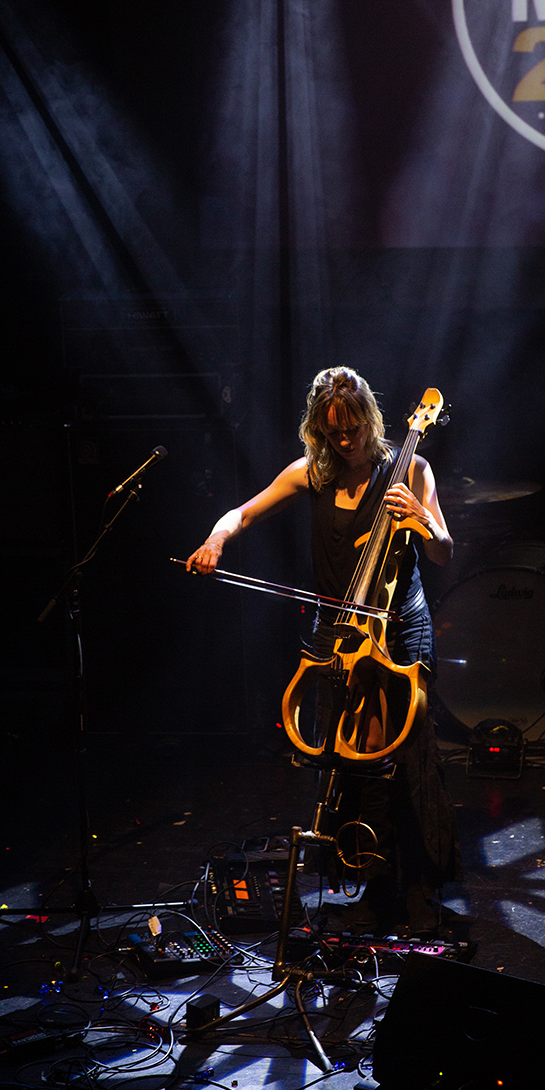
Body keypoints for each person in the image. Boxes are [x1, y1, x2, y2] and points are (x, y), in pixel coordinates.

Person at [186, 367, 458, 933]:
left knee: (400, 755)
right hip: (339, 634)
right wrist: (215, 540)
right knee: (350, 763)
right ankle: (373, 889)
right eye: (334, 433)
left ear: (369, 420)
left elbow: (444, 552)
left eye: (354, 429)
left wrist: (423, 523)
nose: (347, 441)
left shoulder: (410, 467)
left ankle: (416, 891)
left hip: (397, 629)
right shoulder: (311, 474)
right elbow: (241, 513)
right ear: (318, 430)